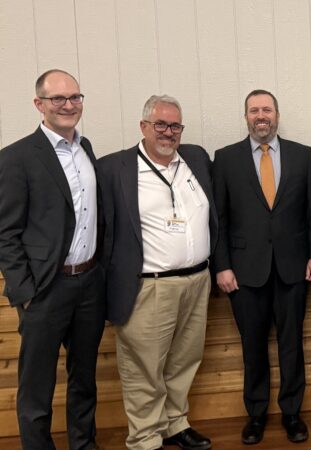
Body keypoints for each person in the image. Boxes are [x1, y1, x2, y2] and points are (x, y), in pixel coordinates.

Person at [98, 94, 215, 450]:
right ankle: (145, 438)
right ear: (143, 127)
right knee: (144, 369)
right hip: (150, 286)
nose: (168, 132)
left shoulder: (195, 158)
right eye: (160, 124)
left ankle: (175, 424)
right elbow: (102, 230)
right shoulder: (114, 168)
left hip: (197, 281)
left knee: (184, 361)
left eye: (175, 125)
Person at [0, 69, 105, 450]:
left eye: (75, 97)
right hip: (46, 289)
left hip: (90, 285)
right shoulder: (16, 158)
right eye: (58, 99)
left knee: (84, 379)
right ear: (39, 104)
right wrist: (26, 292)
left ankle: (83, 444)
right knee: (37, 386)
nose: (68, 105)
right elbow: (5, 233)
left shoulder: (85, 149)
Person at [213, 89, 311, 445]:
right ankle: (256, 414)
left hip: (293, 267)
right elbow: (219, 219)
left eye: (267, 110)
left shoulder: (302, 155)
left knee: (292, 343)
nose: (261, 116)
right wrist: (222, 266)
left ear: (277, 115)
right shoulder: (225, 159)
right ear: (246, 117)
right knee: (253, 345)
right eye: (254, 110)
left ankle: (292, 413)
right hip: (244, 271)